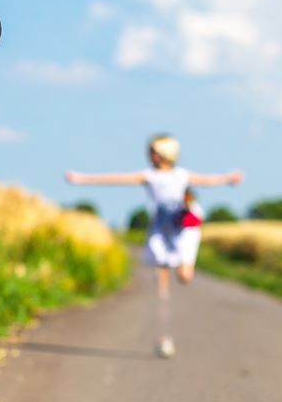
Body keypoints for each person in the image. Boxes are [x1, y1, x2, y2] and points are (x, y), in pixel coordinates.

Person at [66, 134, 243, 357]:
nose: (149, 155)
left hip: (183, 228)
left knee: (185, 277)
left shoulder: (181, 175)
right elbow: (116, 179)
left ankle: (183, 269)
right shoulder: (149, 176)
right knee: (162, 288)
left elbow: (207, 180)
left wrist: (228, 178)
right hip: (162, 230)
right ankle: (165, 337)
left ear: (163, 154)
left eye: (152, 151)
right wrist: (82, 179)